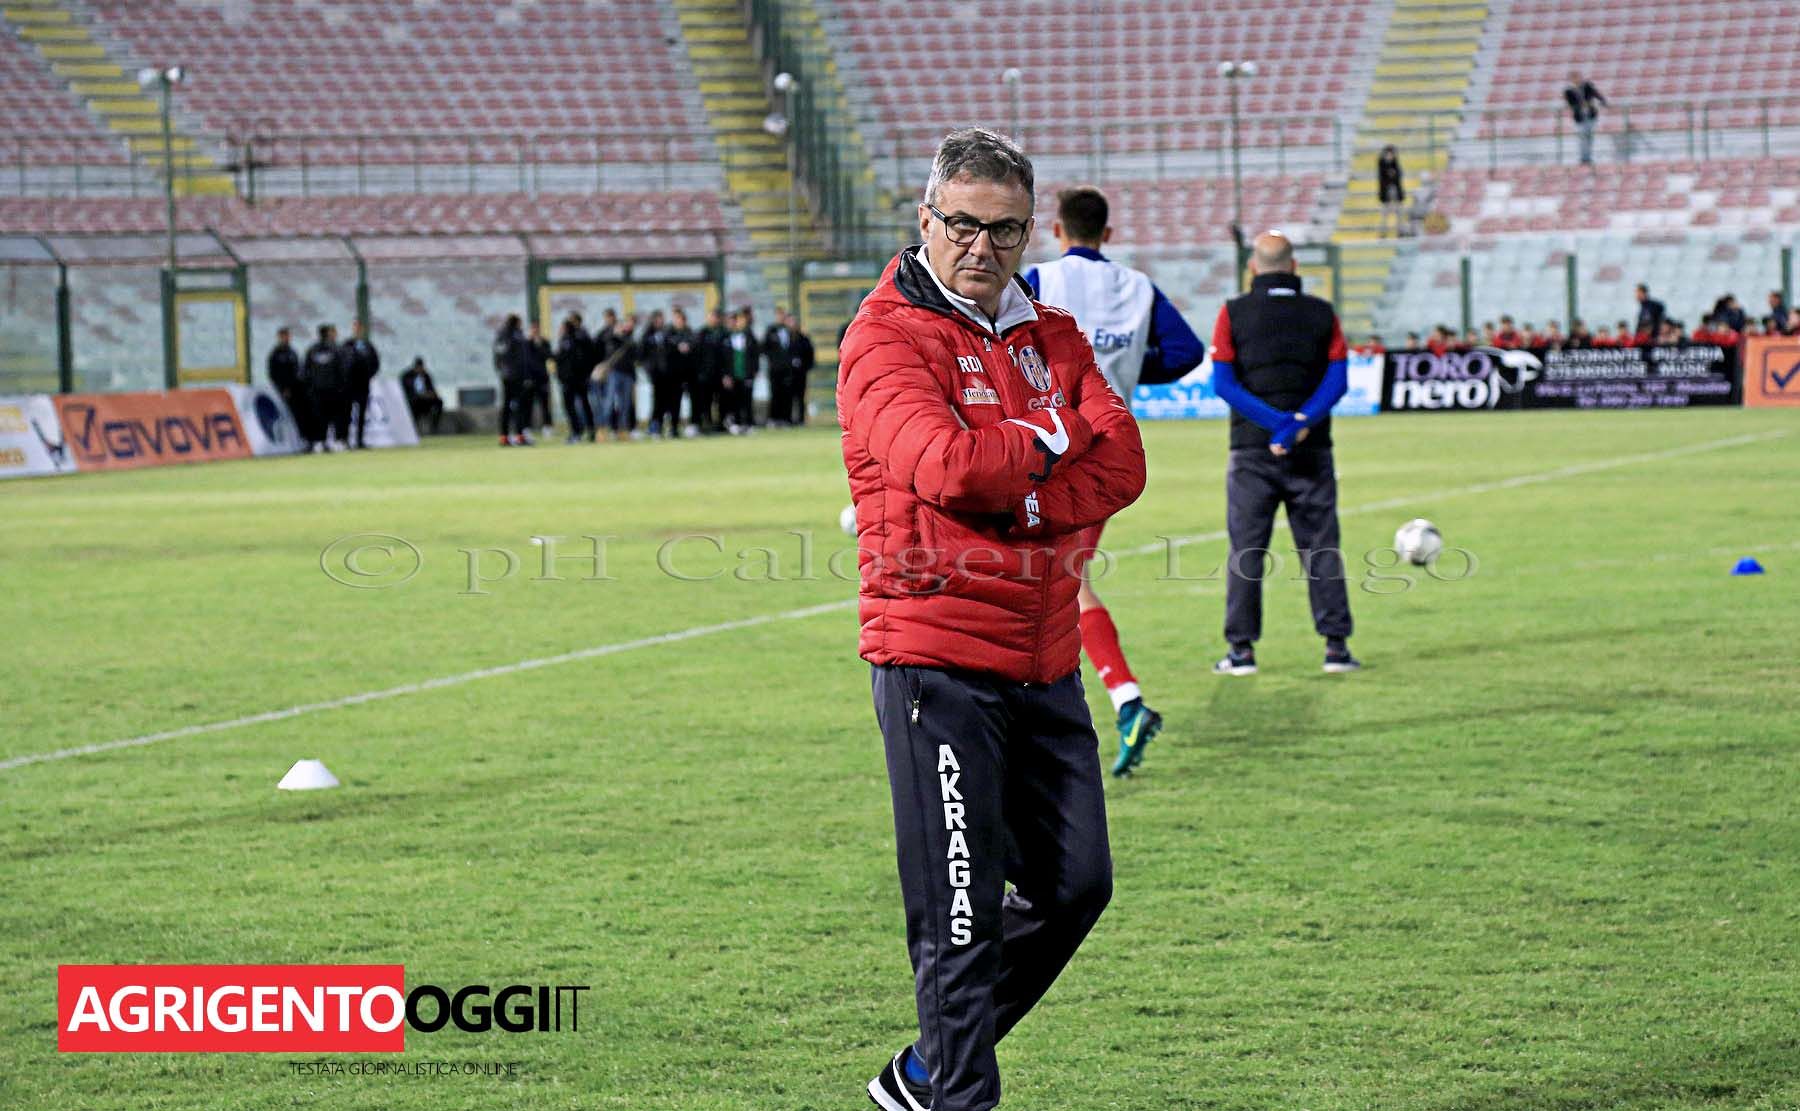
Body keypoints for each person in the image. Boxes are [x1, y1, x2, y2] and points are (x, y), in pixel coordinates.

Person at [837, 126, 1145, 1111]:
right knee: (958, 921)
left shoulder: (1052, 332)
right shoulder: (885, 336)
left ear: (1030, 231)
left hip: (1045, 655)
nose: (982, 246)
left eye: (1005, 229)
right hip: (938, 661)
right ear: (925, 218)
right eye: (963, 223)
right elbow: (948, 469)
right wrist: (1055, 435)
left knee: (1077, 885)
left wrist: (1025, 492)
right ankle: (955, 1089)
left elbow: (1124, 464)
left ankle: (924, 1073)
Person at [1023, 183, 1204, 775]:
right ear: (1107, 233)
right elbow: (1185, 351)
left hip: (1051, 450)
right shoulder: (1138, 286)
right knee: (1054, 578)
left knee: (1054, 579)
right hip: (1110, 451)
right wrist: (1123, 369)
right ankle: (1092, 703)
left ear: (1056, 230)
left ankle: (1122, 700)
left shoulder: (1042, 279)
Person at [1208, 231, 1358, 677]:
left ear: (1253, 267)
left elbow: (1223, 384)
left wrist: (1275, 425)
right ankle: (1336, 648)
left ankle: (1241, 652)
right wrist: (1297, 424)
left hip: (1252, 451)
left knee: (1246, 551)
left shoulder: (1232, 312)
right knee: (1321, 548)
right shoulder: (1323, 313)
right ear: (1294, 268)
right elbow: (1338, 381)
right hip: (1312, 450)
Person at [265, 326, 318, 450]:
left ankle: (304, 440)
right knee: (287, 417)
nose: (287, 338)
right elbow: (273, 374)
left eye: (288, 336)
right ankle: (290, 443)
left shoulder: (292, 352)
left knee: (300, 416)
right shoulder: (275, 354)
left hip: (296, 391)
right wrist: (282, 388)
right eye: (284, 336)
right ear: (279, 337)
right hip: (283, 392)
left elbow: (297, 370)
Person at [303, 323, 350, 452]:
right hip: (334, 390)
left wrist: (310, 388)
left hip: (318, 391)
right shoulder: (336, 349)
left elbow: (306, 371)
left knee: (320, 417)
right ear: (328, 334)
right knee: (337, 417)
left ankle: (320, 442)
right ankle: (338, 441)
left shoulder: (312, 350)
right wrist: (342, 387)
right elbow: (343, 370)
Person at [555, 313, 596, 443]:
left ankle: (577, 432)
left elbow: (561, 359)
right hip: (579, 377)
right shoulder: (583, 337)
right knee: (584, 403)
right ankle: (590, 430)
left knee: (571, 405)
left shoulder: (569, 340)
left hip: (571, 378)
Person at [493, 313, 532, 446]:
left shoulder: (500, 336)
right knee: (520, 405)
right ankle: (520, 436)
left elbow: (497, 356)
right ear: (517, 323)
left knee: (506, 406)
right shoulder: (517, 336)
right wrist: (527, 376)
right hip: (517, 376)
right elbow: (523, 358)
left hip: (505, 376)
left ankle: (504, 437)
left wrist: (501, 371)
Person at [598, 314, 640, 440]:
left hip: (628, 374)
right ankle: (603, 430)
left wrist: (623, 336)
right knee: (609, 402)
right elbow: (604, 345)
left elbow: (635, 353)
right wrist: (616, 334)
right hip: (614, 373)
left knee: (625, 404)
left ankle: (622, 430)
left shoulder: (631, 339)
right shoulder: (611, 337)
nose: (628, 326)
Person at [342, 319, 380, 449]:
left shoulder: (368, 346)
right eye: (355, 327)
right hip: (349, 385)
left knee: (362, 413)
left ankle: (360, 440)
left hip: (363, 385)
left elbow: (375, 363)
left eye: (359, 327)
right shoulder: (347, 344)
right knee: (347, 413)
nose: (357, 330)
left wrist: (368, 375)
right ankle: (345, 440)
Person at [663, 307, 701, 437]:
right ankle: (673, 427)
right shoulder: (668, 332)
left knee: (694, 399)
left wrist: (688, 346)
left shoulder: (690, 332)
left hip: (690, 372)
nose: (679, 321)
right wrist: (678, 345)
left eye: (681, 319)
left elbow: (695, 344)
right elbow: (666, 348)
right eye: (677, 318)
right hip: (674, 373)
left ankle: (694, 425)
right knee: (674, 401)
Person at [692, 307, 728, 433]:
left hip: (720, 374)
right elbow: (697, 355)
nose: (714, 319)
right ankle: (707, 424)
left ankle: (720, 424)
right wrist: (700, 372)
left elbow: (726, 356)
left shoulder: (724, 333)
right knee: (705, 401)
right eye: (712, 316)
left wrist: (726, 374)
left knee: (721, 401)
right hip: (705, 375)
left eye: (716, 317)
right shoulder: (702, 333)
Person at [722, 308, 758, 432]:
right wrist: (725, 375)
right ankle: (736, 424)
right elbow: (722, 359)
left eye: (735, 320)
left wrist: (754, 371)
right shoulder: (725, 337)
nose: (733, 323)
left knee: (747, 400)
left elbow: (755, 355)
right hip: (732, 374)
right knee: (734, 401)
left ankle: (748, 424)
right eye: (730, 321)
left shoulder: (748, 336)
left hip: (746, 373)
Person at [1564, 72, 1608, 165]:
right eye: (1574, 78)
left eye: (1578, 77)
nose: (1577, 79)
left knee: (1589, 136)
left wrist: (1603, 101)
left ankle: (1588, 156)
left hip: (1590, 115)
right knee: (1582, 137)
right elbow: (1571, 105)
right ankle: (1583, 158)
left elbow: (1596, 94)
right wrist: (1581, 105)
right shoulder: (1568, 91)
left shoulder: (1587, 86)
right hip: (1579, 117)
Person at [524, 321, 554, 439]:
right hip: (530, 379)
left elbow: (549, 356)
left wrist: (540, 345)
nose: (535, 331)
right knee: (528, 405)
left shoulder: (544, 342)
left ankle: (547, 427)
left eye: (537, 329)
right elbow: (526, 360)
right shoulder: (526, 343)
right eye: (533, 329)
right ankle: (527, 428)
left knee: (545, 404)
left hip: (542, 378)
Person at [399, 356, 443, 434]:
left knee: (439, 402)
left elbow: (431, 388)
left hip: (425, 400)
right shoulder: (406, 376)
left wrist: (432, 394)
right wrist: (421, 395)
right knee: (415, 404)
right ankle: (412, 429)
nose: (420, 369)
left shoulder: (426, 375)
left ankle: (434, 426)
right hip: (413, 400)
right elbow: (407, 391)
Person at [1376, 144, 1404, 238]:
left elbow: (1398, 176)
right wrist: (1391, 174)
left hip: (1396, 193)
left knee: (1399, 213)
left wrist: (1393, 174)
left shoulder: (1395, 163)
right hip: (1386, 194)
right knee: (1384, 214)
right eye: (1388, 154)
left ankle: (1400, 231)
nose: (1390, 156)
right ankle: (1383, 233)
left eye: (1391, 154)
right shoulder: (1381, 164)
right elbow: (1384, 178)